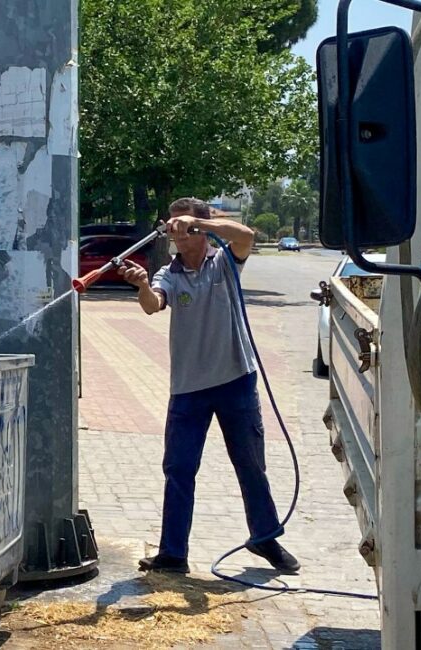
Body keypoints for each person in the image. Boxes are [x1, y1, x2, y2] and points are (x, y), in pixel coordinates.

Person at [118, 197, 300, 575]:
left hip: (237, 380)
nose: (177, 233)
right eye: (172, 226)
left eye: (183, 226)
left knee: (250, 464)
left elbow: (246, 234)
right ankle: (173, 553)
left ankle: (265, 537)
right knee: (179, 469)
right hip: (188, 388)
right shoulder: (169, 273)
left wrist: (202, 223)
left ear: (199, 229)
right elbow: (153, 305)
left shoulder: (225, 262)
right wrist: (140, 287)